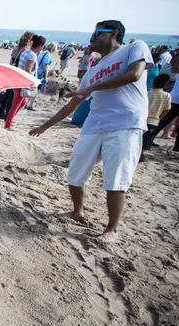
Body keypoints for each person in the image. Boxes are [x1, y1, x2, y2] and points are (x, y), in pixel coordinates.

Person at [29, 20, 152, 243]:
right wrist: (45, 126)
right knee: (75, 171)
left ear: (114, 33)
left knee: (115, 179)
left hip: (125, 122)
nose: (92, 37)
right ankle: (78, 211)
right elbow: (71, 105)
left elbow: (134, 74)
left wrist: (93, 87)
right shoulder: (92, 71)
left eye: (97, 32)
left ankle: (112, 229)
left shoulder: (134, 48)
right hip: (94, 124)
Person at [4, 35, 45, 129]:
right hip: (23, 82)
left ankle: (9, 120)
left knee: (22, 102)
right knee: (16, 104)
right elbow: (28, 70)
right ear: (40, 45)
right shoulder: (32, 55)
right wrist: (33, 82)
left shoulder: (26, 52)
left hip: (18, 80)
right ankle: (8, 124)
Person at [0, 31, 34, 119]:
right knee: (12, 96)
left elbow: (11, 62)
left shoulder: (16, 48)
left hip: (11, 72)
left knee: (8, 93)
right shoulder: (25, 51)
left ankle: (2, 112)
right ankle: (8, 115)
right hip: (17, 74)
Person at [141, 73, 172, 154]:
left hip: (142, 119)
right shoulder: (167, 96)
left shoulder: (147, 93)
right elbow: (167, 109)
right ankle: (142, 153)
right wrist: (160, 117)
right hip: (154, 121)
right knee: (148, 139)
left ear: (153, 83)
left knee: (139, 138)